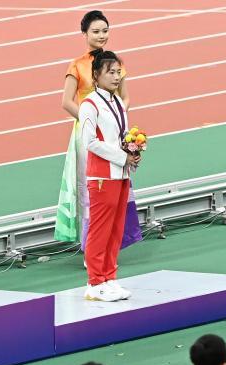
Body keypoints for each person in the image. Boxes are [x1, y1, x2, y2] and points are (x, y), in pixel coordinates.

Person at [55, 12, 140, 257]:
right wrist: (91, 121)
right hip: (88, 137)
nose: (101, 35)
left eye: (105, 31)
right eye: (95, 31)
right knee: (91, 190)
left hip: (114, 134)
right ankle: (90, 249)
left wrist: (115, 120)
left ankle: (112, 245)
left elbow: (125, 98)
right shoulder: (77, 65)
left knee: (117, 187)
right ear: (84, 34)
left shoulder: (115, 64)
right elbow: (66, 101)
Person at [79, 51, 138, 302]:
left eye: (118, 72)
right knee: (100, 230)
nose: (116, 77)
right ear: (96, 75)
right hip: (102, 176)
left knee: (116, 229)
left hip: (121, 173)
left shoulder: (117, 103)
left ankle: (109, 277)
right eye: (110, 72)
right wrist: (122, 156)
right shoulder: (89, 104)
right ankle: (94, 282)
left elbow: (120, 135)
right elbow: (90, 142)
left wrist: (133, 151)